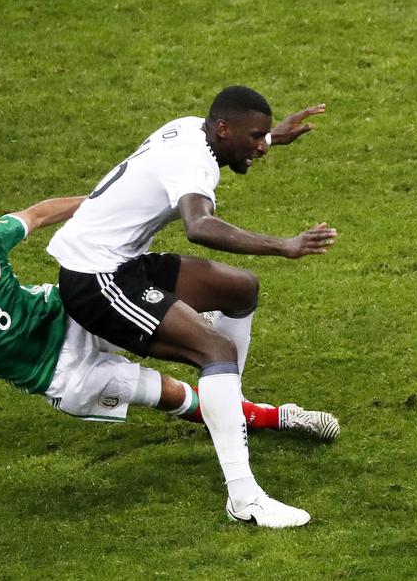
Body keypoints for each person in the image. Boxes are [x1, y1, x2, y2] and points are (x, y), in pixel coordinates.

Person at [46, 86, 340, 527]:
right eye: (255, 137)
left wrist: (272, 138)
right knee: (215, 350)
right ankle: (245, 500)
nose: (260, 147)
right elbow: (198, 226)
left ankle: (228, 409)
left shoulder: (189, 128)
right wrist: (285, 245)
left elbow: (224, 151)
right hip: (97, 279)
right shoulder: (192, 159)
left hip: (121, 262)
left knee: (240, 289)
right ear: (223, 129)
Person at [0, 201, 339, 477]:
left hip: (67, 310)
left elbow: (39, 213)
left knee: (129, 289)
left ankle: (198, 326)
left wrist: (102, 205)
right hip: (64, 375)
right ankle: (274, 418)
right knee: (176, 395)